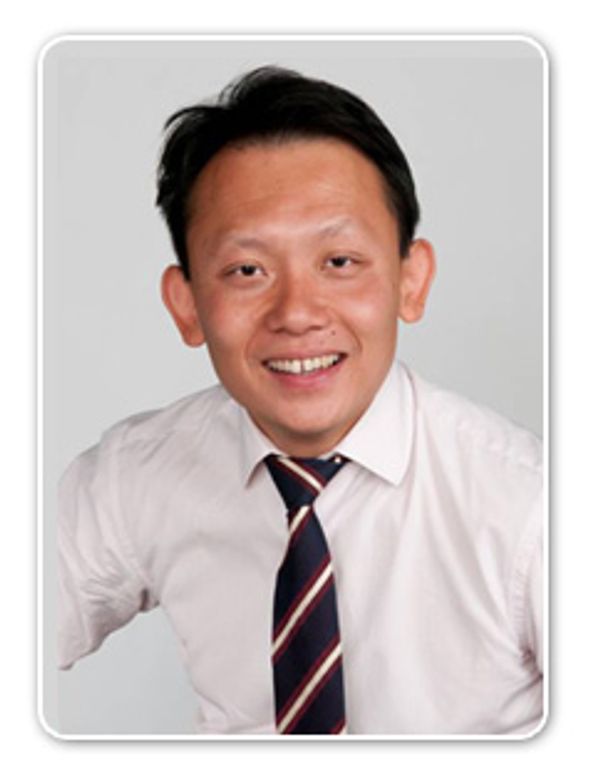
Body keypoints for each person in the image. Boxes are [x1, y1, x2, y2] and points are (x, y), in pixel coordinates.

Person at [57, 66, 543, 736]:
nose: (297, 313)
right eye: (247, 270)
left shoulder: (533, 508)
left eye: (339, 262)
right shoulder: (133, 476)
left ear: (411, 280)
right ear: (187, 304)